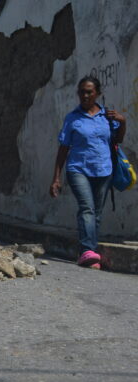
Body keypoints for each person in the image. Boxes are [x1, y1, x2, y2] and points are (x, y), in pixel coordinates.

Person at [49, 76, 127, 269]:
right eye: (82, 91)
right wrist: (56, 178)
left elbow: (118, 140)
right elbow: (63, 149)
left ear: (97, 94)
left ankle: (89, 251)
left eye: (89, 92)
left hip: (104, 170)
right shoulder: (72, 118)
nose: (85, 95)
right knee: (87, 208)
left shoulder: (107, 117)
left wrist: (122, 121)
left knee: (97, 213)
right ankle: (87, 251)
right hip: (78, 169)